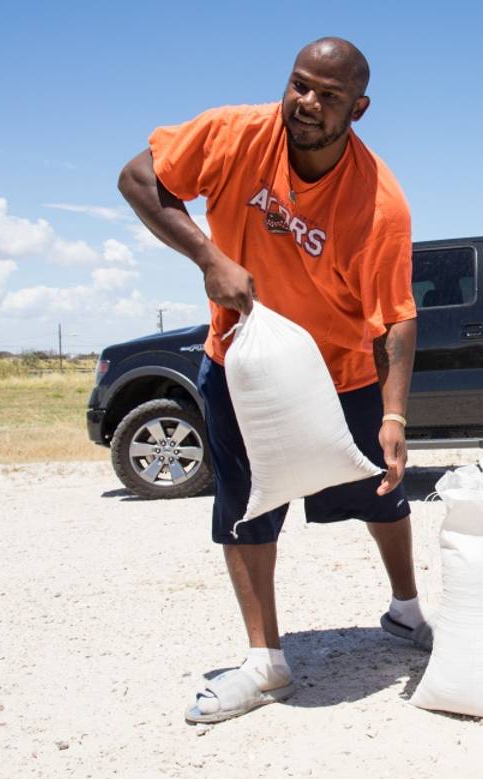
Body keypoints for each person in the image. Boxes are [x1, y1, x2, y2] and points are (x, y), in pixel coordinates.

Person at [118, 37, 429, 724]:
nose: (308, 103)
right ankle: (266, 662)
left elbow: (397, 322)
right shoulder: (237, 134)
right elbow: (139, 178)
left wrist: (394, 416)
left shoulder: (379, 204)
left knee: (381, 495)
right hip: (243, 361)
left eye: (329, 95)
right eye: (300, 85)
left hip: (340, 370)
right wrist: (207, 256)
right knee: (245, 506)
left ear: (360, 108)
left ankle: (407, 612)